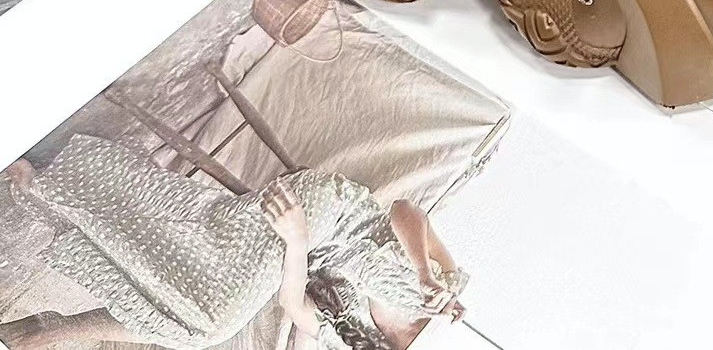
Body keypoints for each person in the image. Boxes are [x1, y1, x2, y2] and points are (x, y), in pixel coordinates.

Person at [0, 135, 467, 350]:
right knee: (211, 318)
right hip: (329, 208)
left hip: (295, 243)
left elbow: (292, 302)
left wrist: (297, 241)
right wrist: (425, 274)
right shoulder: (440, 295)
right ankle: (52, 321)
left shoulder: (361, 348)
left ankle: (62, 198)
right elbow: (405, 209)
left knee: (201, 320)